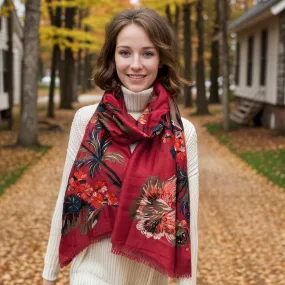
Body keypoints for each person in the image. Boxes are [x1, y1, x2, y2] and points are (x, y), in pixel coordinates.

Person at [43, 7, 199, 285]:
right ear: (112, 57)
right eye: (125, 52)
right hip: (90, 274)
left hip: (150, 277)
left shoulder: (182, 132)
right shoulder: (86, 120)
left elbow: (187, 221)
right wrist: (49, 273)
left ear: (161, 59)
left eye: (147, 53)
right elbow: (65, 201)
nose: (135, 64)